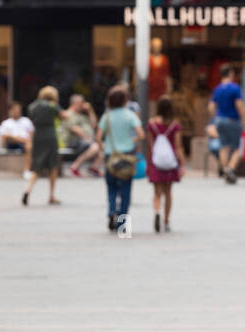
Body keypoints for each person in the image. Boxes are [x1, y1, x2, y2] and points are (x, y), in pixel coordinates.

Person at [98, 84, 143, 232]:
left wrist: (104, 148)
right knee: (125, 190)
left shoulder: (107, 116)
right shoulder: (131, 115)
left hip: (111, 156)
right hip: (126, 156)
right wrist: (131, 142)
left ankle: (112, 211)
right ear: (125, 100)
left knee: (111, 187)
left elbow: (98, 137)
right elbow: (141, 135)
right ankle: (122, 223)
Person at [146, 96, 184, 232]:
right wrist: (183, 164)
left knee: (157, 192)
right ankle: (166, 220)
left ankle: (157, 211)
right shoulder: (175, 125)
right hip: (170, 162)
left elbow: (150, 146)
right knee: (168, 192)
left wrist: (148, 163)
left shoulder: (152, 124)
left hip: (156, 161)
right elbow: (178, 147)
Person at [22, 86, 62, 206]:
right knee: (53, 166)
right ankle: (51, 195)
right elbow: (63, 116)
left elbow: (31, 118)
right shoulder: (52, 105)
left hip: (38, 136)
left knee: (37, 167)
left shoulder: (33, 106)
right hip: (50, 136)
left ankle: (27, 190)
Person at [208, 65, 245, 184]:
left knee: (223, 146)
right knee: (237, 147)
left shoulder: (217, 89)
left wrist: (215, 118)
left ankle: (225, 170)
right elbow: (240, 105)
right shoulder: (235, 88)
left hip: (219, 120)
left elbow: (210, 107)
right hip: (232, 120)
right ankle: (230, 168)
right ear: (230, 73)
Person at [64, 95, 104, 177]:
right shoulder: (69, 113)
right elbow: (75, 129)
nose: (82, 105)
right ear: (74, 103)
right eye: (80, 103)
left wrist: (90, 111)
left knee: (102, 147)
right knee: (95, 147)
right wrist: (88, 139)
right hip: (73, 140)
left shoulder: (82, 115)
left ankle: (94, 168)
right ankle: (74, 167)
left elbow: (94, 125)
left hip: (85, 141)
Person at [147, 37, 171, 114]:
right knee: (152, 112)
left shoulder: (164, 59)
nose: (156, 48)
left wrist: (169, 89)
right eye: (154, 46)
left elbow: (167, 75)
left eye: (158, 46)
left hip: (162, 89)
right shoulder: (148, 59)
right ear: (151, 47)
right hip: (150, 90)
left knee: (163, 112)